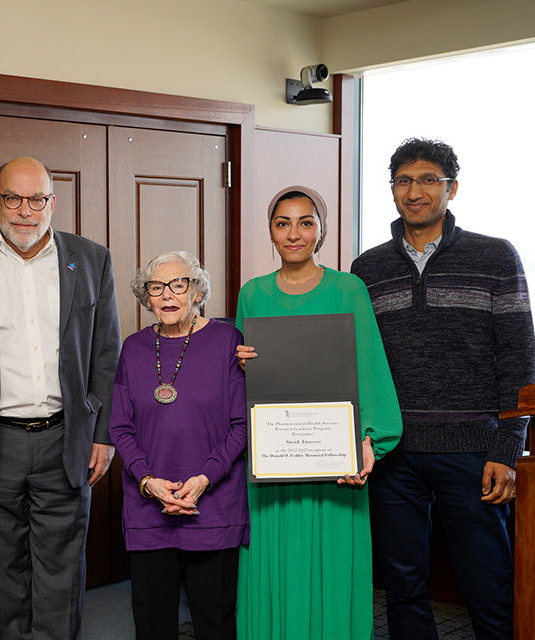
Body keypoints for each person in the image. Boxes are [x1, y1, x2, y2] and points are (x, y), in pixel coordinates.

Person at [351, 138, 535, 640]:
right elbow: (356, 362)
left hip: (474, 453)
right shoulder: (366, 269)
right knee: (403, 586)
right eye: (404, 181)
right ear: (392, 190)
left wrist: (507, 447)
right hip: (393, 453)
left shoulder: (495, 256)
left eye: (429, 179)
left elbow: (520, 360)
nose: (416, 191)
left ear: (452, 188)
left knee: (489, 583)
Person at [0, 156, 121, 640]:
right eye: (12, 198)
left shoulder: (91, 259)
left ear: (52, 203)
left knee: (63, 572)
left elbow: (105, 355)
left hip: (67, 440)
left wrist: (104, 436)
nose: (24, 211)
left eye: (36, 199)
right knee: (0, 573)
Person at [234, 186, 402, 639]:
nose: (294, 234)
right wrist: (241, 362)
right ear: (270, 230)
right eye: (282, 223)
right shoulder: (252, 295)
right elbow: (236, 386)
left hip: (335, 468)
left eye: (306, 222)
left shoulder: (349, 288)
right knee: (277, 567)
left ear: (322, 230)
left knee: (333, 568)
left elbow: (367, 367)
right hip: (273, 468)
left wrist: (367, 440)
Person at [110, 251, 248, 640]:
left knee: (214, 622)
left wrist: (204, 479)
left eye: (179, 284)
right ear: (146, 296)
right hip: (148, 504)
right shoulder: (133, 348)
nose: (168, 295)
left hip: (213, 502)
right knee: (152, 623)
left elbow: (241, 425)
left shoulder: (228, 341)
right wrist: (148, 480)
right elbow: (120, 426)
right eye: (157, 287)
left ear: (197, 289)